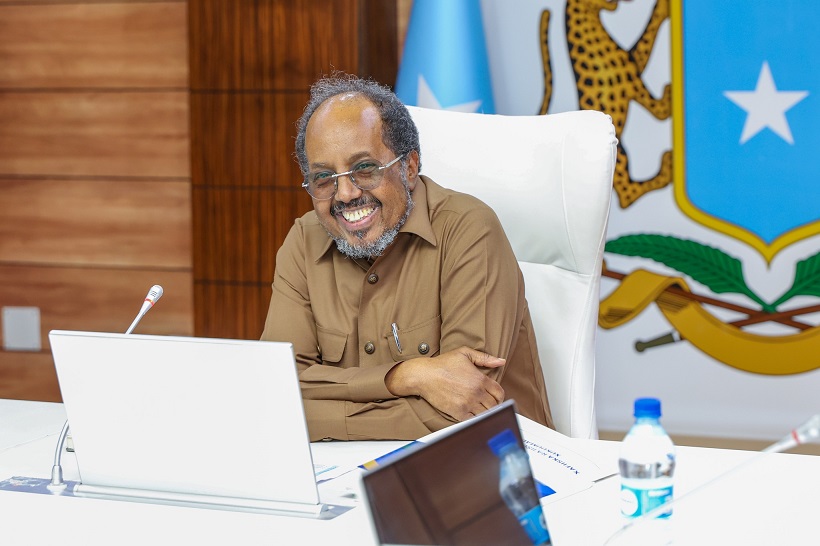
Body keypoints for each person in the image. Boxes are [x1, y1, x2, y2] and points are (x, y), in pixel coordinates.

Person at [261, 73, 553, 441]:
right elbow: (274, 391)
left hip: (497, 461)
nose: (345, 193)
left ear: (409, 167)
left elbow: (466, 407)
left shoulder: (469, 230)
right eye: (324, 178)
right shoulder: (304, 240)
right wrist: (404, 376)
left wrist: (313, 416)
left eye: (364, 169)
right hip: (350, 468)